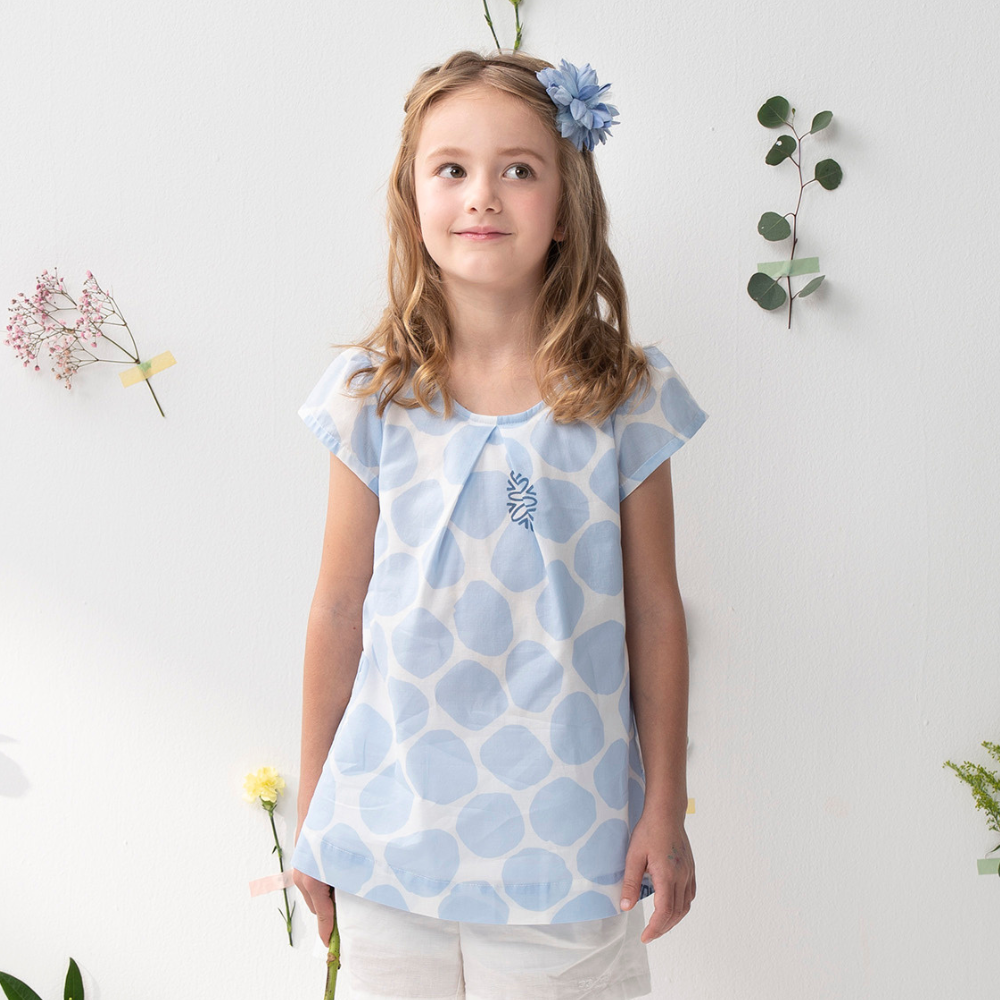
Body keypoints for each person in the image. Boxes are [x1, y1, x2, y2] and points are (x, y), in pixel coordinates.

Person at [291, 48, 708, 1000]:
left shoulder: (625, 393)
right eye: (453, 168)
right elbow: (339, 608)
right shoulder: (371, 393)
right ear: (414, 200)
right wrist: (316, 812)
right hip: (387, 843)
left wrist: (666, 809)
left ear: (566, 206)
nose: (482, 194)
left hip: (570, 849)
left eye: (519, 168)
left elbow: (655, 609)